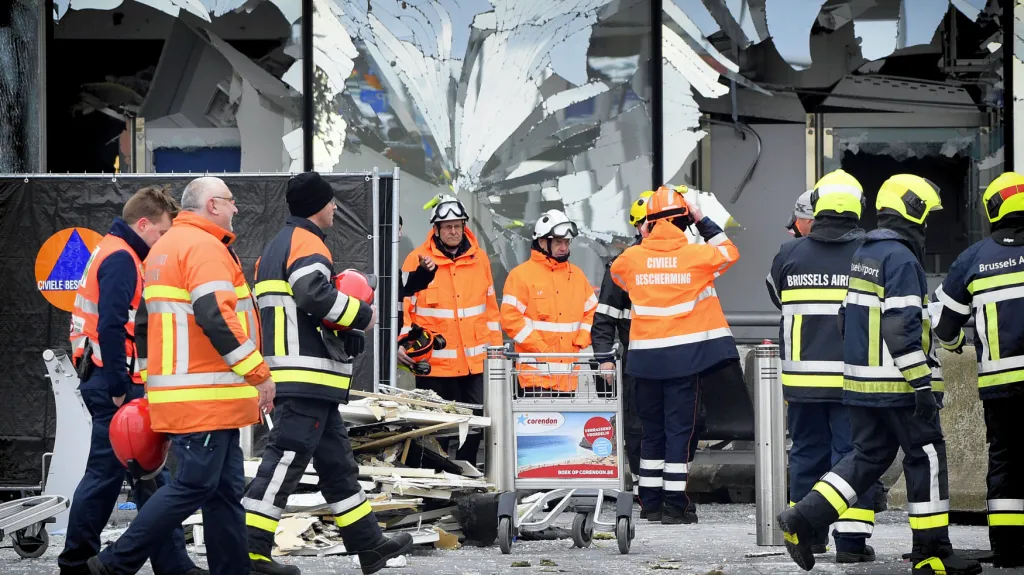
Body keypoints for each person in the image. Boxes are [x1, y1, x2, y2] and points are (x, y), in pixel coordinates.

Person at [777, 174, 982, 575]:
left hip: (860, 385)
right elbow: (901, 326)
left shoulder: (865, 253)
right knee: (926, 456)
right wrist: (921, 382)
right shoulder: (901, 258)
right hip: (898, 386)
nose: (927, 226)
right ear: (915, 211)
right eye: (926, 216)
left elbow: (845, 319)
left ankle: (803, 518)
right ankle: (933, 551)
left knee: (867, 458)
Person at [87, 177, 277, 575]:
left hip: (191, 395)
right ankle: (113, 564)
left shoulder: (164, 247)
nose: (235, 209)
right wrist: (258, 374)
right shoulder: (204, 247)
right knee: (192, 487)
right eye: (230, 202)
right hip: (206, 396)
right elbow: (215, 316)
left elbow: (141, 322)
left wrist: (148, 383)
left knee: (224, 493)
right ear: (211, 205)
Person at [244, 172, 413, 575]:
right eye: (331, 201)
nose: (336, 207)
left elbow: (300, 309)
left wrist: (339, 331)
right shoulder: (306, 242)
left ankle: (369, 545)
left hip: (305, 378)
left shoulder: (277, 245)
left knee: (337, 467)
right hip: (306, 378)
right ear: (317, 206)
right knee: (283, 463)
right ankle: (250, 552)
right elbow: (312, 294)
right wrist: (362, 317)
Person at [62, 187, 203, 575]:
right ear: (143, 224)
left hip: (111, 378)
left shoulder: (112, 250)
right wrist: (120, 387)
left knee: (149, 475)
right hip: (116, 382)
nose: (162, 243)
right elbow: (110, 325)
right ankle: (76, 563)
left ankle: (171, 563)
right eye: (160, 233)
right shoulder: (123, 258)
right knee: (112, 475)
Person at [610, 185, 739, 525]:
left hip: (644, 362)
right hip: (684, 361)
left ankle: (649, 504)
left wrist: (649, 243)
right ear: (685, 220)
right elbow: (729, 252)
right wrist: (702, 220)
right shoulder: (697, 256)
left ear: (649, 223)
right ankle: (675, 506)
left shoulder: (633, 258)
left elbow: (617, 273)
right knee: (678, 433)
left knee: (652, 431)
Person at [766, 170, 877, 563]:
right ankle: (851, 544)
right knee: (853, 455)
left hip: (802, 379)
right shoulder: (870, 252)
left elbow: (777, 295)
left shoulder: (788, 253)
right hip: (854, 379)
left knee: (807, 453)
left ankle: (807, 535)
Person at [929, 171, 1024, 569]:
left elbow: (942, 322)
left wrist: (954, 346)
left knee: (1005, 460)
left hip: (1002, 388)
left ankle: (1008, 549)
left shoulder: (975, 258)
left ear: (992, 210)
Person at [400, 194, 501, 466]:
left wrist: (496, 351)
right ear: (436, 230)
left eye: (458, 225)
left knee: (476, 426)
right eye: (447, 227)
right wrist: (402, 343)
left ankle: (465, 477)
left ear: (465, 226)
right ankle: (435, 482)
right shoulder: (417, 260)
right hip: (435, 366)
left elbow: (490, 308)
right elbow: (405, 308)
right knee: (436, 430)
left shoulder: (479, 259)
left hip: (474, 365)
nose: (453, 231)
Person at [592, 190, 651, 496]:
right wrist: (603, 357)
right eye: (648, 223)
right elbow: (604, 319)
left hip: (680, 357)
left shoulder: (685, 262)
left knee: (679, 423)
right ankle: (644, 487)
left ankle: (673, 488)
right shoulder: (622, 266)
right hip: (638, 358)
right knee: (638, 425)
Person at [501, 209, 597, 394]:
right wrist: (542, 348)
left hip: (569, 380)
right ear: (543, 242)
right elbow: (510, 318)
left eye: (567, 242)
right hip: (534, 381)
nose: (564, 247)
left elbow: (592, 311)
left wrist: (581, 339)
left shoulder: (577, 275)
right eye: (559, 242)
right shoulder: (521, 276)